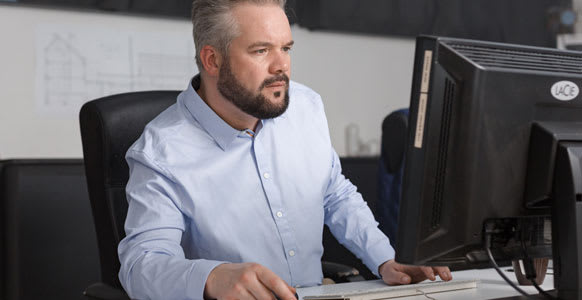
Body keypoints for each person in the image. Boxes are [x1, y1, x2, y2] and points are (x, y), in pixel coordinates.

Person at [118, 0, 452, 299]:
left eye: (286, 49)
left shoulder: (305, 107)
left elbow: (334, 194)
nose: (282, 66)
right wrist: (211, 277)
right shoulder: (160, 152)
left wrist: (387, 257)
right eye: (261, 51)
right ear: (212, 59)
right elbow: (141, 265)